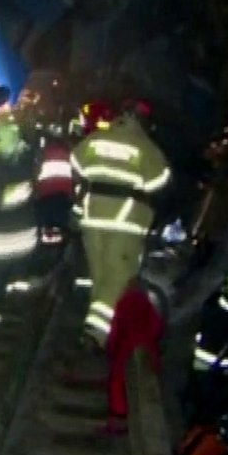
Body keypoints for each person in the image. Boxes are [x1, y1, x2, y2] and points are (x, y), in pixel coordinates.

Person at [71, 107, 171, 345]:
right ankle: (96, 333)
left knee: (100, 275)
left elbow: (76, 160)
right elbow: (159, 181)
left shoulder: (97, 138)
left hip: (92, 215)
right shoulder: (144, 145)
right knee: (118, 276)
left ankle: (100, 328)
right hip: (125, 222)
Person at [100, 272, 168, 436]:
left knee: (118, 384)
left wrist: (111, 349)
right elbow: (157, 327)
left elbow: (116, 328)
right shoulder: (147, 305)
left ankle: (119, 419)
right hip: (147, 350)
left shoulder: (124, 302)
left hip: (126, 349)